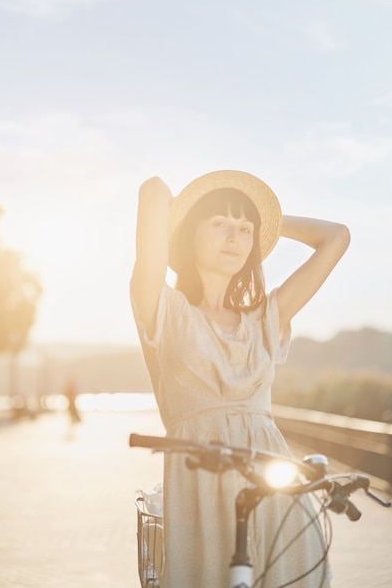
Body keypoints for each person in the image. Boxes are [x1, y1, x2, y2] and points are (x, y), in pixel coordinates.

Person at [130, 170, 350, 588]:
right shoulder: (165, 309)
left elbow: (337, 237)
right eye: (219, 224)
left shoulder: (266, 318)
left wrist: (265, 219)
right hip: (199, 492)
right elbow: (153, 191)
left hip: (276, 493)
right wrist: (197, 206)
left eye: (244, 230)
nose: (234, 237)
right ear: (189, 233)